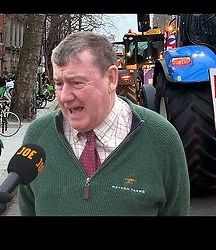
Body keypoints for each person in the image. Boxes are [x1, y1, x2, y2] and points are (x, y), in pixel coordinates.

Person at [17, 31, 190, 216]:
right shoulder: (38, 136)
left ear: (111, 79)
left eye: (76, 82)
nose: (64, 96)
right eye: (59, 84)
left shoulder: (161, 138)